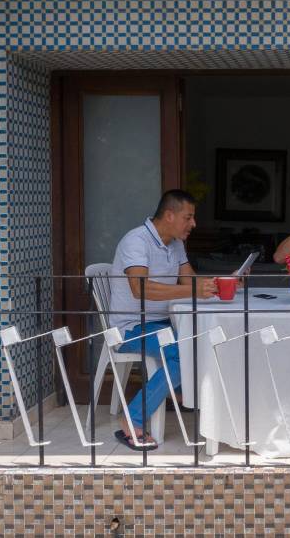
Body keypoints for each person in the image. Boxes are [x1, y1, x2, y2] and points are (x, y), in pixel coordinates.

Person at [109, 189, 217, 450]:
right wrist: (194, 290)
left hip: (163, 323)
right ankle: (132, 419)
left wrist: (220, 283)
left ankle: (178, 390)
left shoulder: (176, 243)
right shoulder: (136, 241)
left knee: (202, 340)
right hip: (130, 327)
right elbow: (141, 288)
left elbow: (189, 280)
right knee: (184, 351)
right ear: (169, 215)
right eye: (188, 218)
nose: (193, 224)